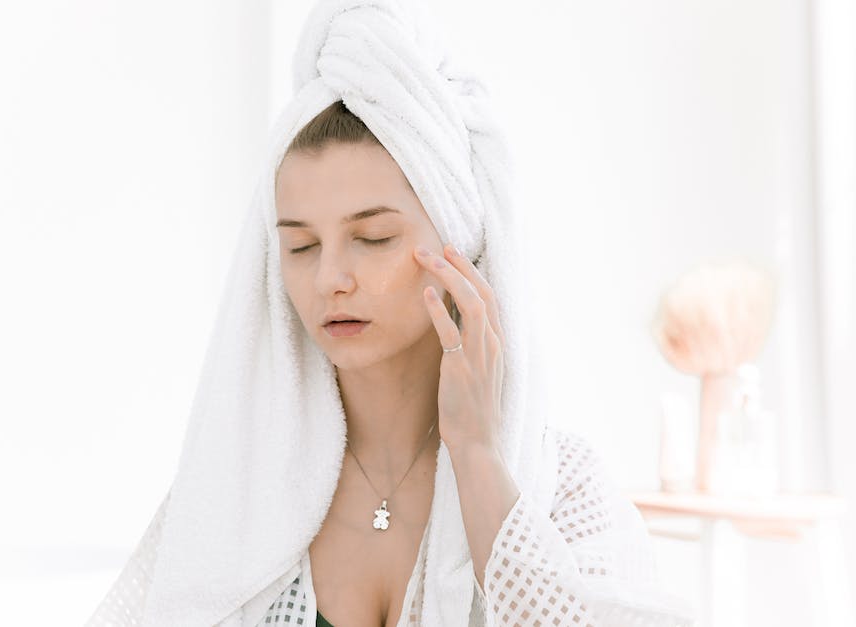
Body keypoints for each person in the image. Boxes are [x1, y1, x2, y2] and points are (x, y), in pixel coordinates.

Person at [86, 2, 694, 626]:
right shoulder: (236, 487)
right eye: (300, 246)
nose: (329, 279)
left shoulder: (559, 485)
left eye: (373, 237)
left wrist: (479, 457)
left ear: (461, 249)